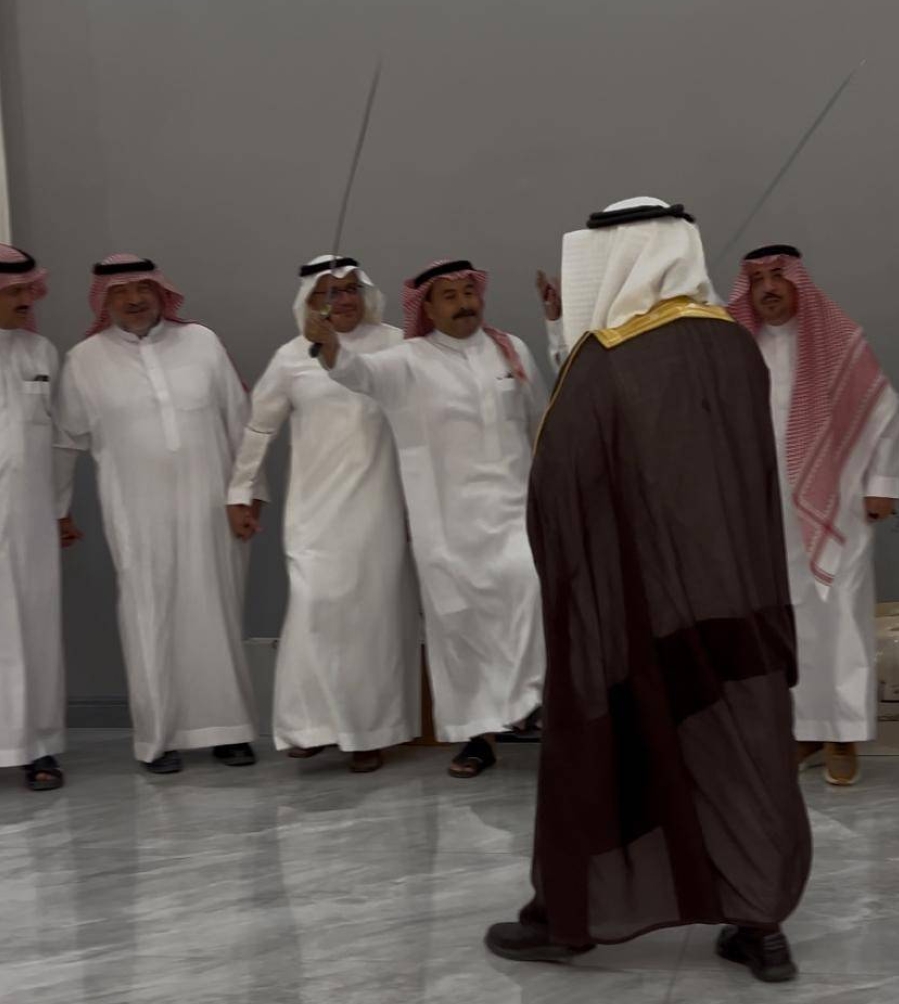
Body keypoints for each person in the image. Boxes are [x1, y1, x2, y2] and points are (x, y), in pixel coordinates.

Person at [485, 198, 811, 982]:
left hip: (644, 612)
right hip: (738, 602)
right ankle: (761, 925)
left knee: (613, 752)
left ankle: (575, 919)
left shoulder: (608, 360)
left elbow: (559, 483)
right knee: (741, 755)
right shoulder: (736, 346)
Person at [305, 258, 546, 779]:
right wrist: (328, 346)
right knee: (460, 629)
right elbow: (356, 373)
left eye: (469, 292)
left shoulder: (511, 349)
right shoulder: (406, 361)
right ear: (428, 309)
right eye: (450, 296)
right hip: (446, 521)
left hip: (514, 509)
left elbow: (538, 419)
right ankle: (478, 738)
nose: (464, 304)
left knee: (528, 586)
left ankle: (525, 702)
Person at [55, 255, 265, 775]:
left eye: (143, 288)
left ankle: (230, 731)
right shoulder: (85, 360)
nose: (134, 299)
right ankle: (158, 738)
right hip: (137, 514)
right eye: (120, 291)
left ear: (160, 291)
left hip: (212, 510)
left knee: (216, 614)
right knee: (148, 616)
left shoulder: (202, 343)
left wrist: (248, 495)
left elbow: (242, 423)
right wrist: (59, 509)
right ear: (103, 299)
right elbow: (64, 443)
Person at [226, 255, 422, 773]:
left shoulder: (398, 345)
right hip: (313, 507)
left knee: (373, 616)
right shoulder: (291, 357)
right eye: (330, 292)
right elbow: (260, 427)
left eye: (352, 289)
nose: (344, 299)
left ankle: (368, 733)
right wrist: (241, 491)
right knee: (312, 608)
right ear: (309, 303)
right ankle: (311, 726)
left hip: (379, 504)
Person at [727, 245, 899, 787]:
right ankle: (803, 729)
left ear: (798, 281)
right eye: (758, 280)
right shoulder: (737, 348)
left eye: (778, 276)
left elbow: (884, 409)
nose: (769, 288)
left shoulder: (836, 340)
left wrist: (882, 485)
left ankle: (843, 735)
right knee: (789, 618)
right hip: (766, 510)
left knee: (841, 614)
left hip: (839, 503)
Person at [0, 247, 71, 792]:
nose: (28, 299)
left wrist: (62, 510)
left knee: (36, 628)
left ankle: (39, 746)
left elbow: (61, 440)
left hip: (30, 520)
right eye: (14, 292)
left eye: (29, 289)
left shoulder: (42, 350)